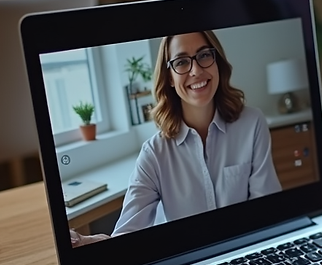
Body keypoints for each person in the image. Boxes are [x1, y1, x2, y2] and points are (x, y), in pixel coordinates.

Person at [112, 30, 281, 235]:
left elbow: (268, 212)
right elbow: (126, 234)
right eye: (182, 62)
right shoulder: (154, 154)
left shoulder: (252, 123)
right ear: (170, 77)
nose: (196, 70)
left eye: (204, 55)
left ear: (217, 62)